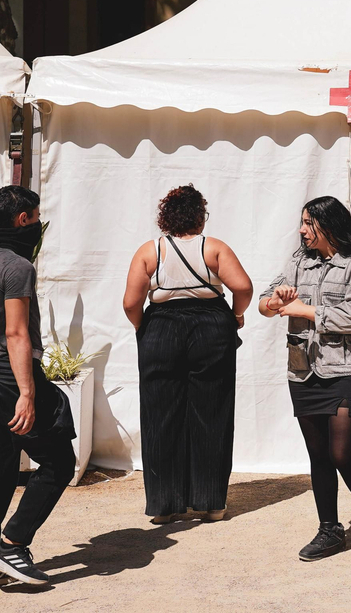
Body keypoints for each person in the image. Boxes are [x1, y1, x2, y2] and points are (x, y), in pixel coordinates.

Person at [0, 186, 76, 593]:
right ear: (24, 219)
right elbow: (15, 331)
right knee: (60, 463)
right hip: (11, 378)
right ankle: (11, 544)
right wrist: (27, 392)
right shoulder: (17, 266)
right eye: (36, 217)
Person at [259, 196, 351, 563]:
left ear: (328, 226)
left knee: (342, 452)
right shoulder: (299, 261)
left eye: (307, 223)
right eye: (301, 222)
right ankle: (329, 528)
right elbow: (267, 301)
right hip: (303, 370)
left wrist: (304, 309)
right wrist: (276, 300)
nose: (301, 230)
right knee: (318, 455)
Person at [122, 184, 253, 525]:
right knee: (212, 412)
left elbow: (131, 302)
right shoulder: (215, 248)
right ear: (200, 216)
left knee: (160, 416)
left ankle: (166, 506)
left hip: (161, 328)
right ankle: (211, 504)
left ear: (166, 216)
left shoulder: (151, 250)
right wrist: (237, 315)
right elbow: (242, 287)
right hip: (211, 327)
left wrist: (142, 328)